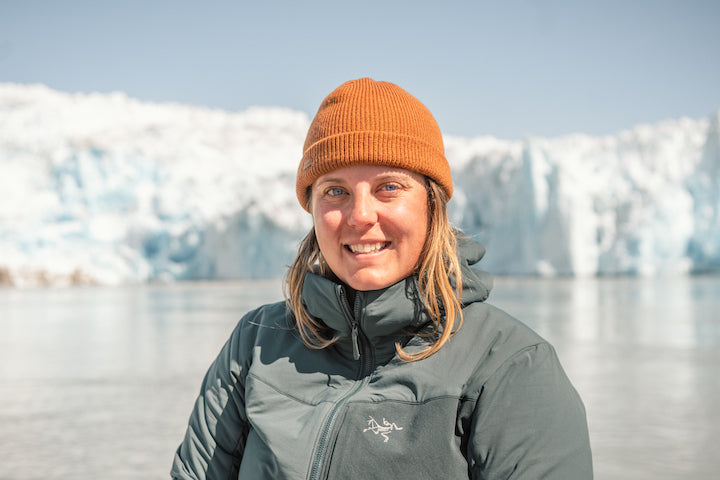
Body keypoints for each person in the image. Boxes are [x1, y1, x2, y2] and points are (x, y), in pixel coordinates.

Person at [171, 78, 593, 479]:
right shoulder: (257, 342)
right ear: (313, 209)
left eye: (388, 187)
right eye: (335, 191)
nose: (360, 216)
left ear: (432, 205)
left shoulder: (508, 364)